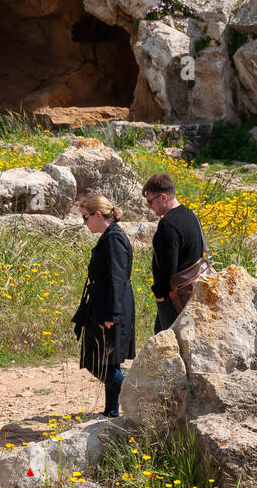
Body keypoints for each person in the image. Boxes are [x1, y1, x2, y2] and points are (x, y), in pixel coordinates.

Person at [72, 194, 136, 418]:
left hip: (111, 308)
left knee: (96, 360)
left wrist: (112, 314)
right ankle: (111, 411)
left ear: (98, 215)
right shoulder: (110, 236)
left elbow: (117, 278)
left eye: (86, 217)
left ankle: (137, 393)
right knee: (110, 361)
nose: (84, 222)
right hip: (108, 305)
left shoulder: (113, 239)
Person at [144, 173, 212, 333]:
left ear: (163, 197)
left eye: (150, 201)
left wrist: (160, 295)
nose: (149, 206)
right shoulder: (191, 214)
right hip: (191, 291)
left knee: (168, 345)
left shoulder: (168, 223)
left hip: (174, 297)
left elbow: (168, 265)